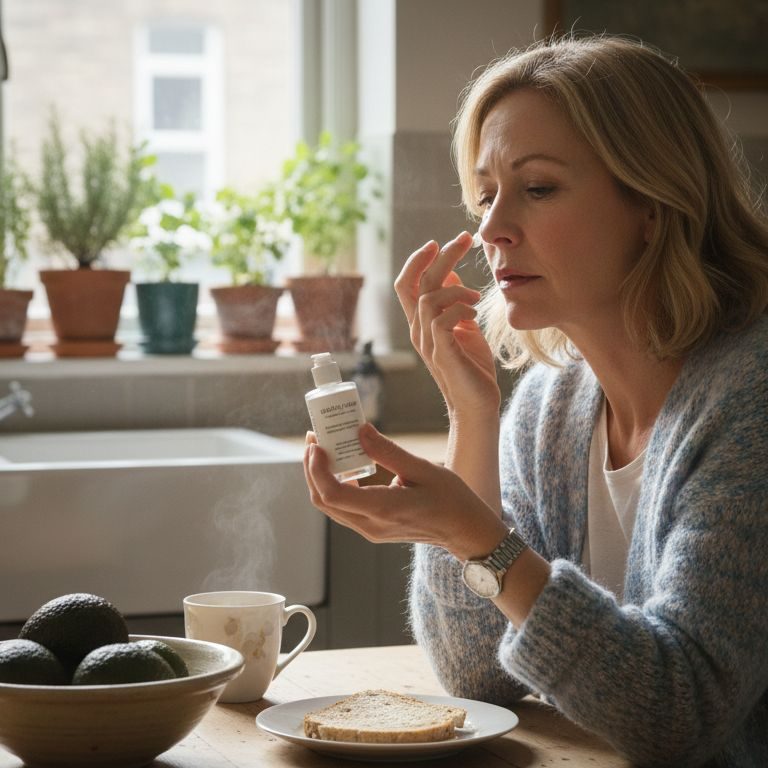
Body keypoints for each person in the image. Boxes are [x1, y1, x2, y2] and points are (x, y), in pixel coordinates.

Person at [303, 34, 768, 768]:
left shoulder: (752, 400)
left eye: (538, 188)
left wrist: (477, 536)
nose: (491, 230)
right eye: (485, 195)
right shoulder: (552, 407)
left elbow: (681, 712)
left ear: (653, 202)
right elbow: (475, 672)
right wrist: (471, 419)